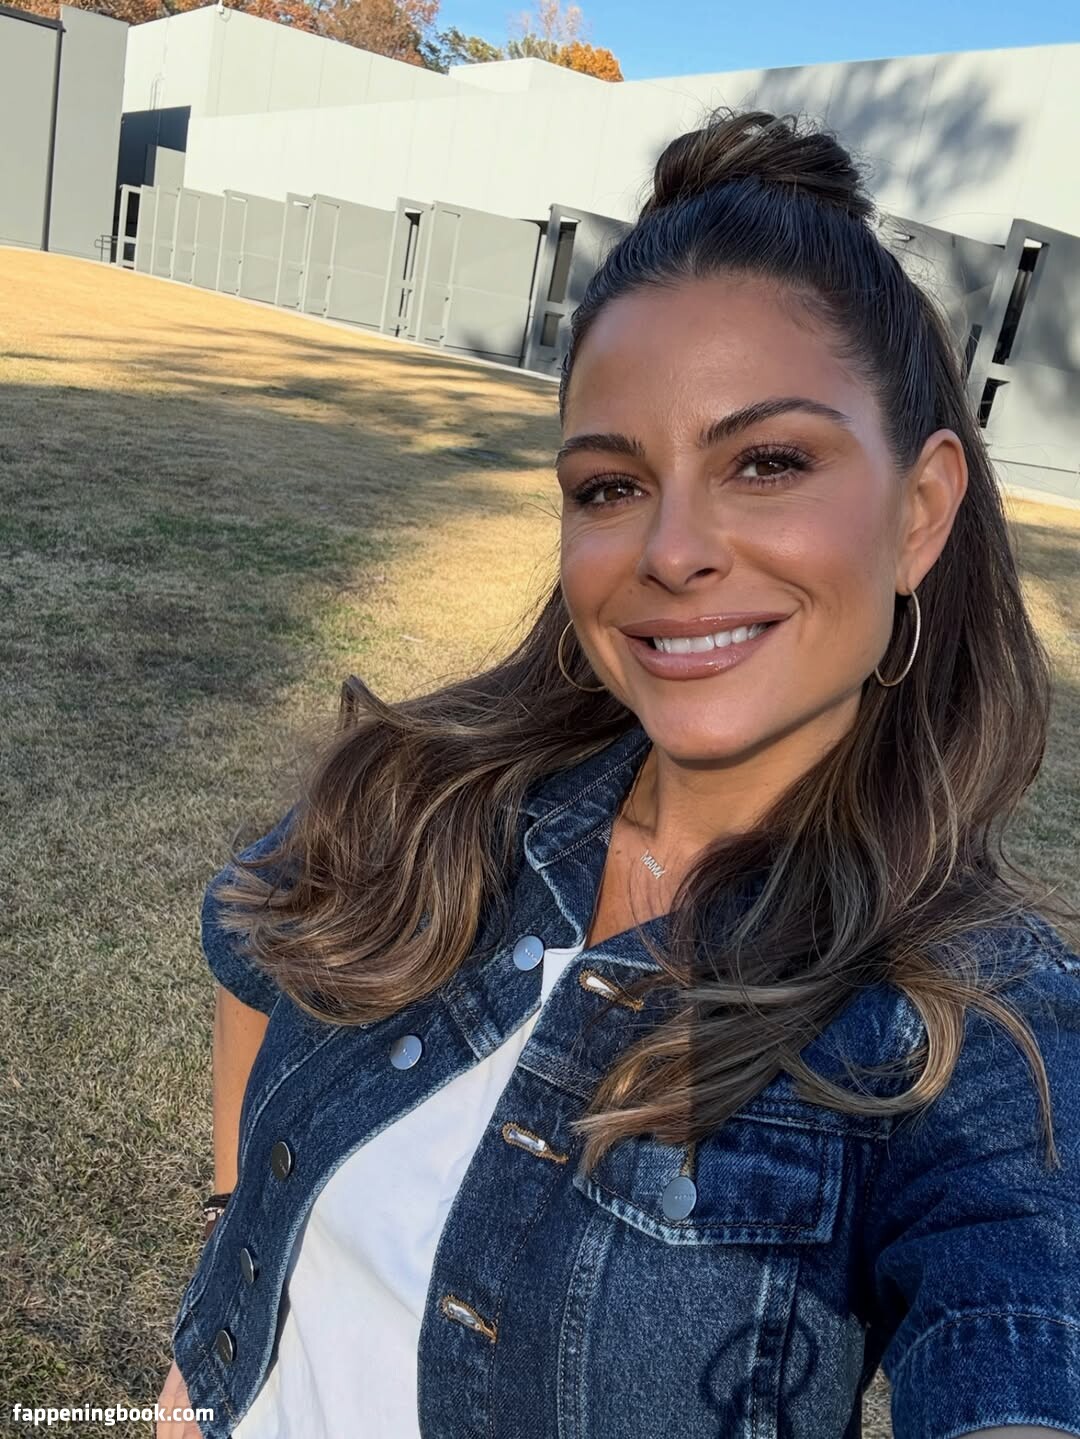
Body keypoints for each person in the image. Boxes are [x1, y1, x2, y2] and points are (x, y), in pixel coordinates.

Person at [156, 107, 1080, 1439]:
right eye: (608, 485)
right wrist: (218, 1286)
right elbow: (255, 952)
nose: (672, 550)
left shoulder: (971, 1028)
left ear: (920, 510)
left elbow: (1025, 1334)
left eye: (769, 463)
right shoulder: (426, 794)